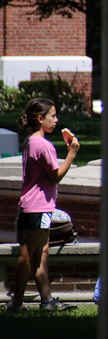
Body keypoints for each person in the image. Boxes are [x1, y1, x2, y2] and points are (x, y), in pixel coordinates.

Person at [5, 98, 80, 313]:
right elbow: (55, 176)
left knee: (41, 254)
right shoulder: (43, 145)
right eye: (53, 116)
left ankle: (46, 300)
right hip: (36, 209)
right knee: (29, 256)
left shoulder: (31, 141)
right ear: (40, 118)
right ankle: (17, 304)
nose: (56, 120)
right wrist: (72, 154)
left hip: (37, 208)